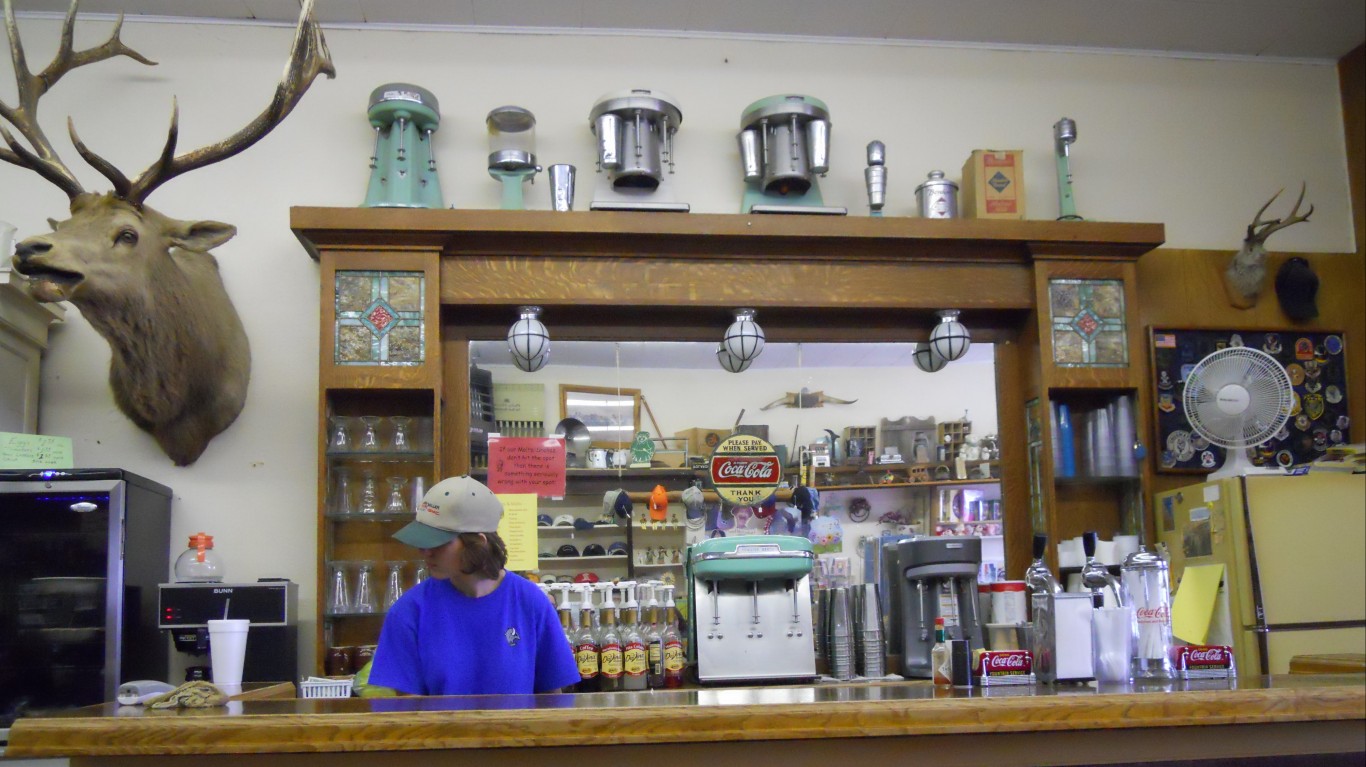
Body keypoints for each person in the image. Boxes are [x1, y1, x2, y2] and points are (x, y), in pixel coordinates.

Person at [368, 475, 580, 695]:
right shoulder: (410, 611)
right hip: (440, 731)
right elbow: (407, 713)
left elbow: (552, 702)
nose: (425, 551)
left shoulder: (531, 603)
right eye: (422, 541)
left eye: (438, 542)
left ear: (478, 542)